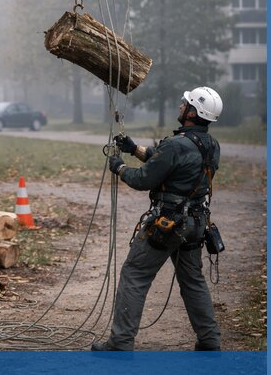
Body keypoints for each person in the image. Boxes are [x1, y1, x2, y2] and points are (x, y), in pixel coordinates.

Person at [92, 86, 223, 352]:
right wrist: (134, 148)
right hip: (196, 224)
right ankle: (209, 341)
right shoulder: (210, 145)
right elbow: (166, 160)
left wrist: (120, 167)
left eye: (183, 103)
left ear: (192, 112)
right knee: (193, 280)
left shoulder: (176, 145)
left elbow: (145, 178)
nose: (179, 105)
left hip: (168, 224)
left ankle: (120, 343)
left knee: (135, 274)